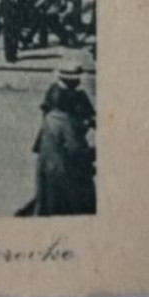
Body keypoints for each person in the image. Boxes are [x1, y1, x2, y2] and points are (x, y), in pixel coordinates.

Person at [32, 60, 96, 216]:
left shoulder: (53, 90)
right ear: (71, 80)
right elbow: (75, 146)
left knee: (47, 195)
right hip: (64, 152)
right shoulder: (68, 98)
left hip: (50, 146)